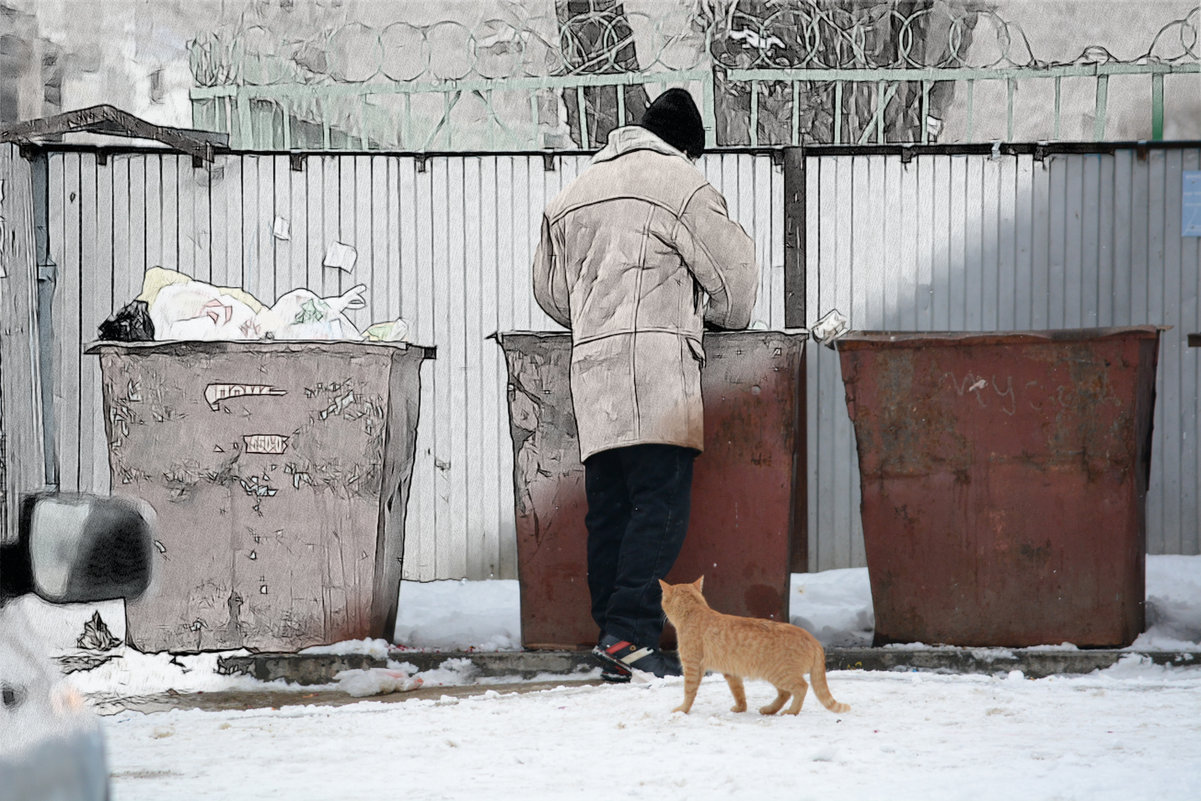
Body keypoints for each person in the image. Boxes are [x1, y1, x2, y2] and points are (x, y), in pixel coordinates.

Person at [532, 88, 759, 682]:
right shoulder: (682, 186)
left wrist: (599, 320)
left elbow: (553, 295)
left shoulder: (571, 196)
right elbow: (736, 286)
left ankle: (611, 630)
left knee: (609, 509)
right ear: (687, 146)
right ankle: (630, 635)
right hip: (657, 373)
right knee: (658, 506)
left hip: (596, 375)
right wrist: (705, 312)